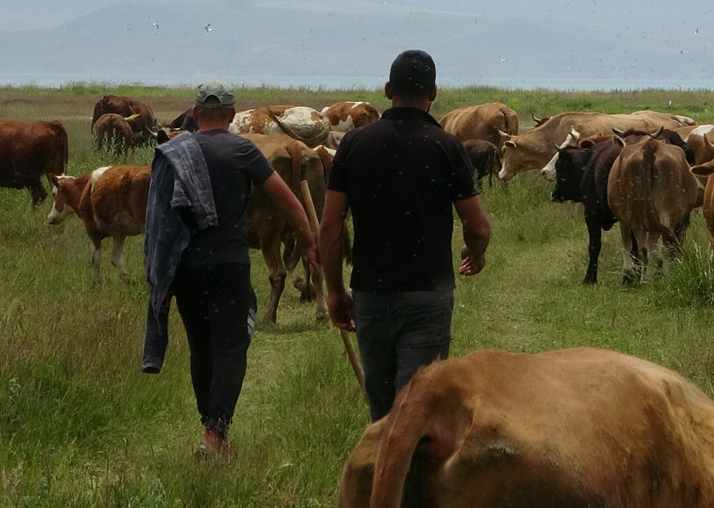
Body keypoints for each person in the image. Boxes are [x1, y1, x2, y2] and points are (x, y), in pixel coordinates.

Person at [143, 80, 316, 459]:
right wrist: (311, 244)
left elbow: (157, 216)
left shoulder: (172, 152)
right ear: (233, 115)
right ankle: (215, 431)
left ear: (194, 113)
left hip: (184, 268)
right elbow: (287, 201)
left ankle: (212, 429)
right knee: (232, 344)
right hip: (228, 266)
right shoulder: (242, 149)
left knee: (200, 347)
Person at [317, 50, 492, 421]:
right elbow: (477, 227)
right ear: (433, 92)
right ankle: (410, 478)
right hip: (428, 294)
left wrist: (334, 289)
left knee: (382, 416)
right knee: (417, 412)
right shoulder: (446, 146)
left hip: (371, 293)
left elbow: (331, 225)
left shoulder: (353, 144)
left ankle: (382, 474)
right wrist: (475, 252)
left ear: (387, 89)